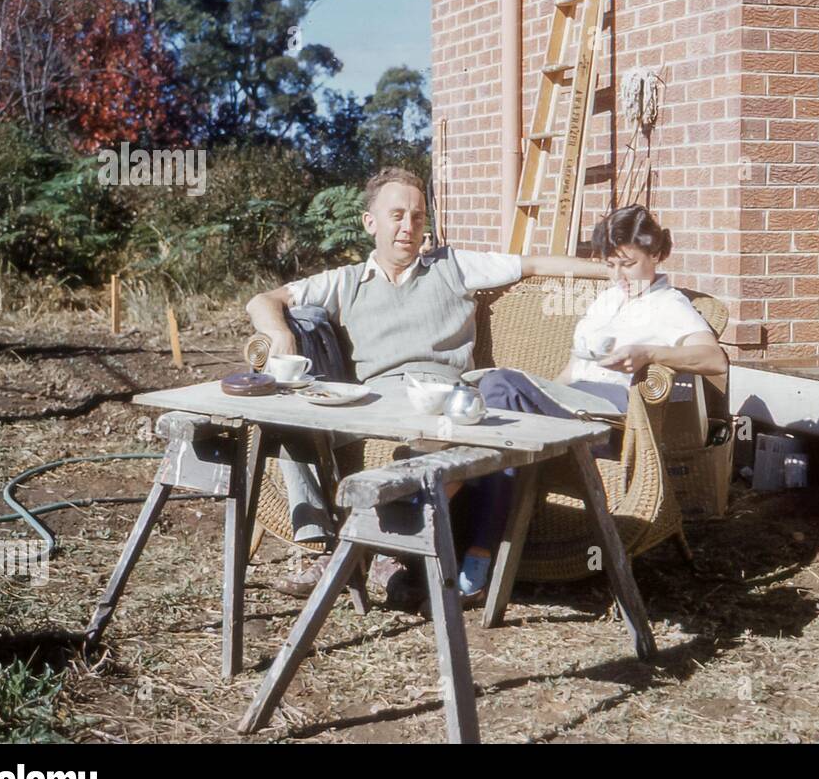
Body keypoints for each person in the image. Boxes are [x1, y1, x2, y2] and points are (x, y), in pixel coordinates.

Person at [245, 167, 606, 604]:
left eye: (417, 217)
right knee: (288, 420)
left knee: (430, 446)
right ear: (369, 222)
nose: (408, 227)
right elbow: (263, 300)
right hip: (371, 402)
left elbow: (532, 263)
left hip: (441, 400)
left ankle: (362, 552)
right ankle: (321, 541)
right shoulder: (345, 282)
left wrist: (613, 270)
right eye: (397, 215)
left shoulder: (453, 266)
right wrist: (278, 333)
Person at [464, 204, 728, 596]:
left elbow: (714, 359)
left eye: (629, 264)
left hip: (607, 428)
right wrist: (536, 394)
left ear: (657, 255)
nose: (620, 276)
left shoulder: (669, 306)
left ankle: (478, 550)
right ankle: (474, 545)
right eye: (611, 265)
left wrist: (650, 354)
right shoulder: (608, 300)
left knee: (501, 388)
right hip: (572, 408)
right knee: (490, 400)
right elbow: (571, 374)